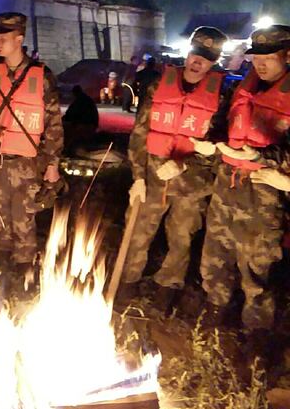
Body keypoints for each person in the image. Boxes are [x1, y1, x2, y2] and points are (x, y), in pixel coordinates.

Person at [118, 27, 229, 313]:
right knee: (139, 230)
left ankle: (168, 286)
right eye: (196, 54)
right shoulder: (158, 86)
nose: (198, 62)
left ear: (214, 61)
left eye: (206, 58)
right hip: (153, 177)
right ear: (188, 52)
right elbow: (140, 133)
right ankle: (127, 281)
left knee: (181, 238)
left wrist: (185, 164)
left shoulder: (222, 98)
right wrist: (138, 177)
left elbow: (220, 150)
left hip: (192, 184)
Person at [198, 26, 290, 356]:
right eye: (257, 57)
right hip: (228, 181)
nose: (261, 63)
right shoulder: (242, 89)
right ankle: (216, 309)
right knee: (216, 253)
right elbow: (223, 123)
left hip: (264, 188)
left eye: (269, 57)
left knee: (257, 263)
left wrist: (261, 156)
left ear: (287, 56)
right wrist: (211, 141)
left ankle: (256, 334)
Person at [0, 12, 63, 276]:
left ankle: (24, 274)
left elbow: (54, 123)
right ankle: (2, 273)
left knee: (23, 220)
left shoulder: (41, 77)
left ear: (19, 39)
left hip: (26, 162)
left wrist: (53, 163)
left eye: (3, 38)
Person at [63, 85, 99, 154]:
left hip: (86, 125)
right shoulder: (85, 99)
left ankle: (67, 148)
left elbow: (70, 114)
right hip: (91, 125)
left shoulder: (79, 101)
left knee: (66, 129)